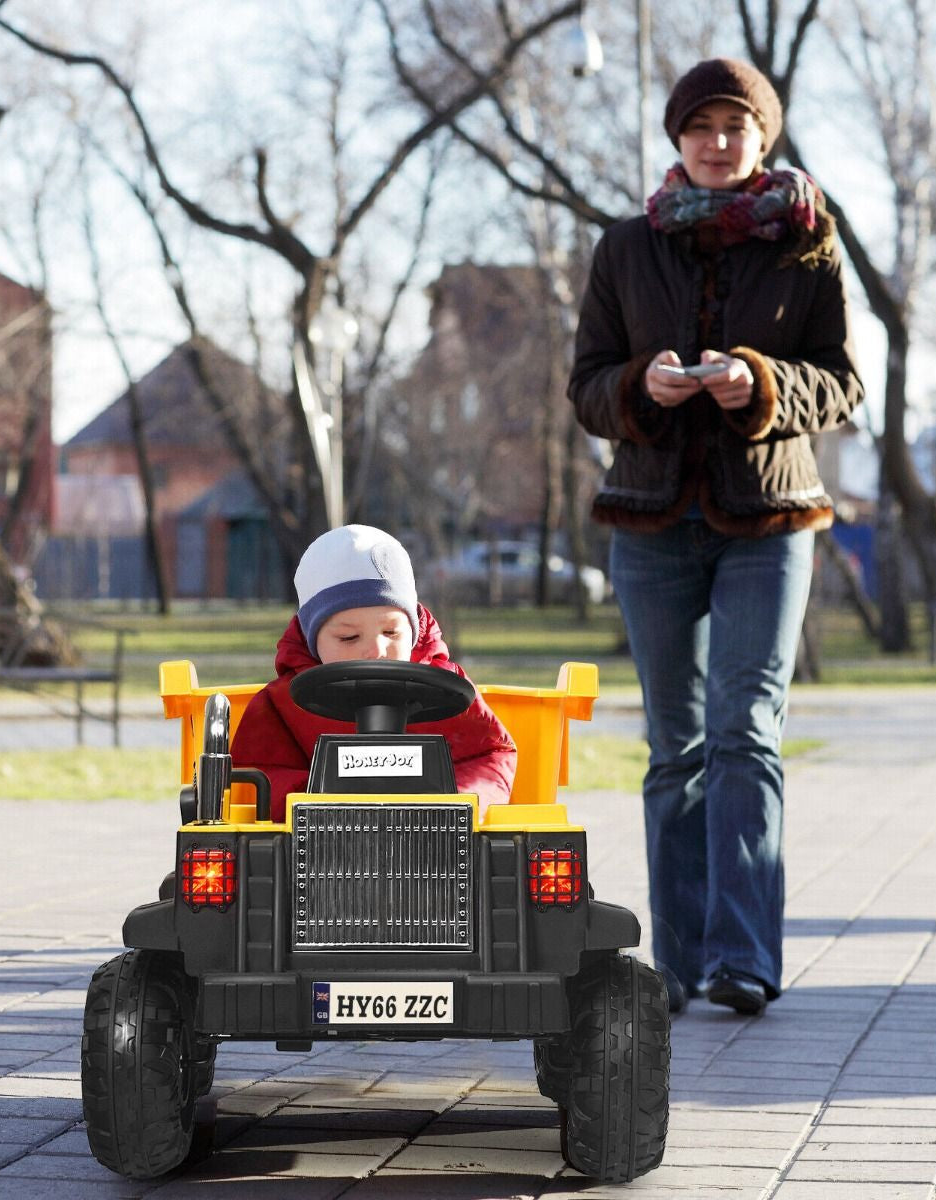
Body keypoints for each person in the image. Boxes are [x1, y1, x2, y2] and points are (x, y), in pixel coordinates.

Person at [567, 58, 863, 1017]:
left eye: (736, 125)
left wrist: (762, 383)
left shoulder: (809, 244)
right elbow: (586, 387)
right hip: (652, 524)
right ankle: (681, 963)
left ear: (763, 136)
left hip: (769, 521)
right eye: (700, 126)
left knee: (747, 734)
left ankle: (745, 959)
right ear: (677, 138)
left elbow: (844, 383)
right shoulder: (625, 248)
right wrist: (637, 389)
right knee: (674, 748)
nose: (718, 141)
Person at [231, 524, 516, 821]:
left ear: (414, 630)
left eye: (391, 631)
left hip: (434, 845)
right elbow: (259, 776)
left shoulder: (448, 691)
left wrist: (453, 805)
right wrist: (323, 805)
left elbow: (490, 755)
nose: (376, 649)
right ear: (312, 640)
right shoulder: (281, 704)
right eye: (349, 638)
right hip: (321, 850)